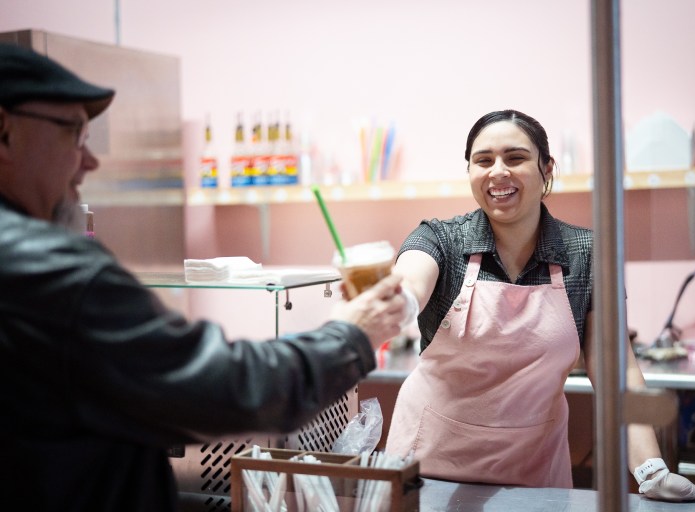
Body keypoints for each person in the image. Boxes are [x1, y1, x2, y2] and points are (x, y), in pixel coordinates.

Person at [0, 43, 407, 511]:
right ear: (5, 131)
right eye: (74, 133)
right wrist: (350, 335)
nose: (89, 160)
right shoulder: (51, 271)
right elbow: (226, 389)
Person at [385, 109, 695, 502]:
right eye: (484, 160)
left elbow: (615, 371)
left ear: (546, 168)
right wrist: (398, 301)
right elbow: (410, 280)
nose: (498, 172)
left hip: (535, 471)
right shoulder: (441, 240)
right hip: (429, 467)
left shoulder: (589, 253)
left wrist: (651, 469)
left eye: (516, 157)